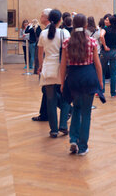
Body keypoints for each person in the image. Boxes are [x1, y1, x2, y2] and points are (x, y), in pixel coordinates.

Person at [60, 14, 103, 156]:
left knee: (76, 109)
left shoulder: (67, 42)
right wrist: (100, 82)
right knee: (86, 113)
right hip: (88, 77)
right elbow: (97, 64)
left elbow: (63, 66)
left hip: (73, 77)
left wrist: (62, 82)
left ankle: (73, 139)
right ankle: (83, 146)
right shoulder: (91, 41)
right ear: (85, 25)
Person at [36, 9, 70, 138]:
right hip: (61, 68)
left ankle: (54, 130)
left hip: (48, 68)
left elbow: (40, 53)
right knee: (66, 97)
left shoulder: (43, 34)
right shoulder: (64, 32)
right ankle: (63, 125)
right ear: (60, 20)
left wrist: (40, 66)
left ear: (50, 20)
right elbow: (68, 51)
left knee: (50, 100)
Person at [99, 14, 116, 98]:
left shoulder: (104, 29)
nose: (105, 21)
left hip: (105, 52)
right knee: (113, 73)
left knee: (102, 72)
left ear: (110, 22)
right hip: (114, 52)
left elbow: (101, 36)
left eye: (106, 20)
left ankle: (101, 92)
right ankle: (113, 93)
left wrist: (105, 46)